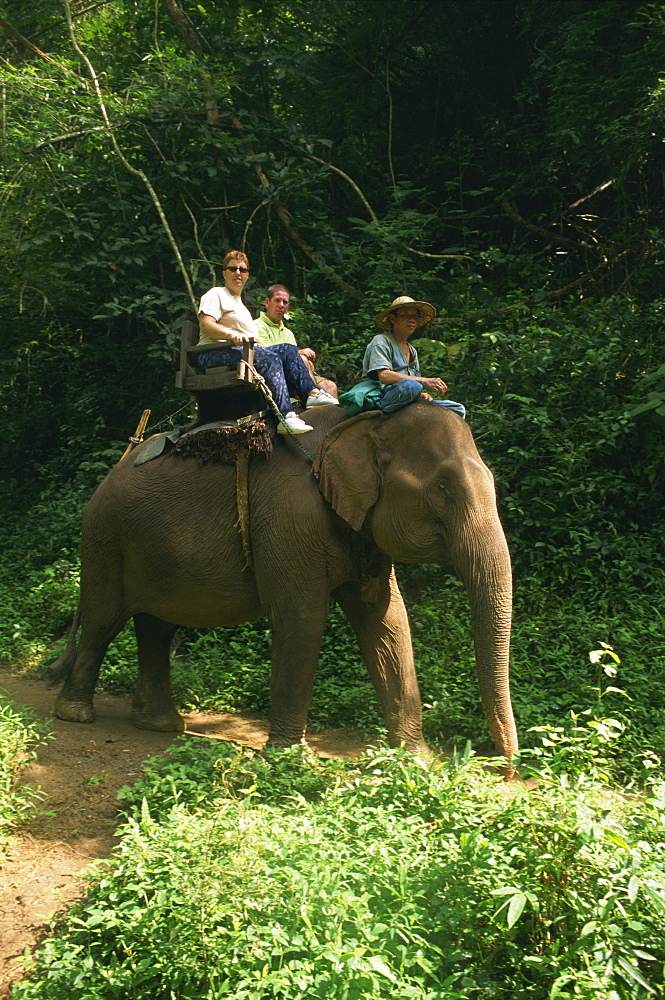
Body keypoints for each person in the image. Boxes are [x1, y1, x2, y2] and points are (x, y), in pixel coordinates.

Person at [196, 252, 338, 434]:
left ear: (247, 274)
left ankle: (312, 393)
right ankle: (286, 416)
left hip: (239, 352)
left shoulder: (240, 304)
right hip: (212, 353)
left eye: (242, 269)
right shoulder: (216, 294)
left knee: (287, 349)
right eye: (233, 268)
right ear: (224, 273)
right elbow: (206, 325)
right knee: (268, 357)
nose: (237, 273)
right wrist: (230, 333)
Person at [340, 295, 465, 418]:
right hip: (383, 394)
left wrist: (422, 394)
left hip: (406, 396)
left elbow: (414, 381)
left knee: (457, 408)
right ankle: (379, 409)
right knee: (412, 386)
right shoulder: (381, 341)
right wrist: (424, 381)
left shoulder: (412, 351)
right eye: (405, 315)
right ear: (392, 319)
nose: (412, 320)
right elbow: (384, 376)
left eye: (415, 316)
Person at [254, 284, 338, 400]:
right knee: (303, 359)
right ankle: (312, 398)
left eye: (285, 302)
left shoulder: (288, 333)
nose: (281, 305)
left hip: (297, 373)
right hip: (275, 375)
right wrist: (301, 354)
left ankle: (327, 415)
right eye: (277, 301)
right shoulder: (256, 326)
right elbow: (268, 356)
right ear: (267, 302)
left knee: (330, 386)